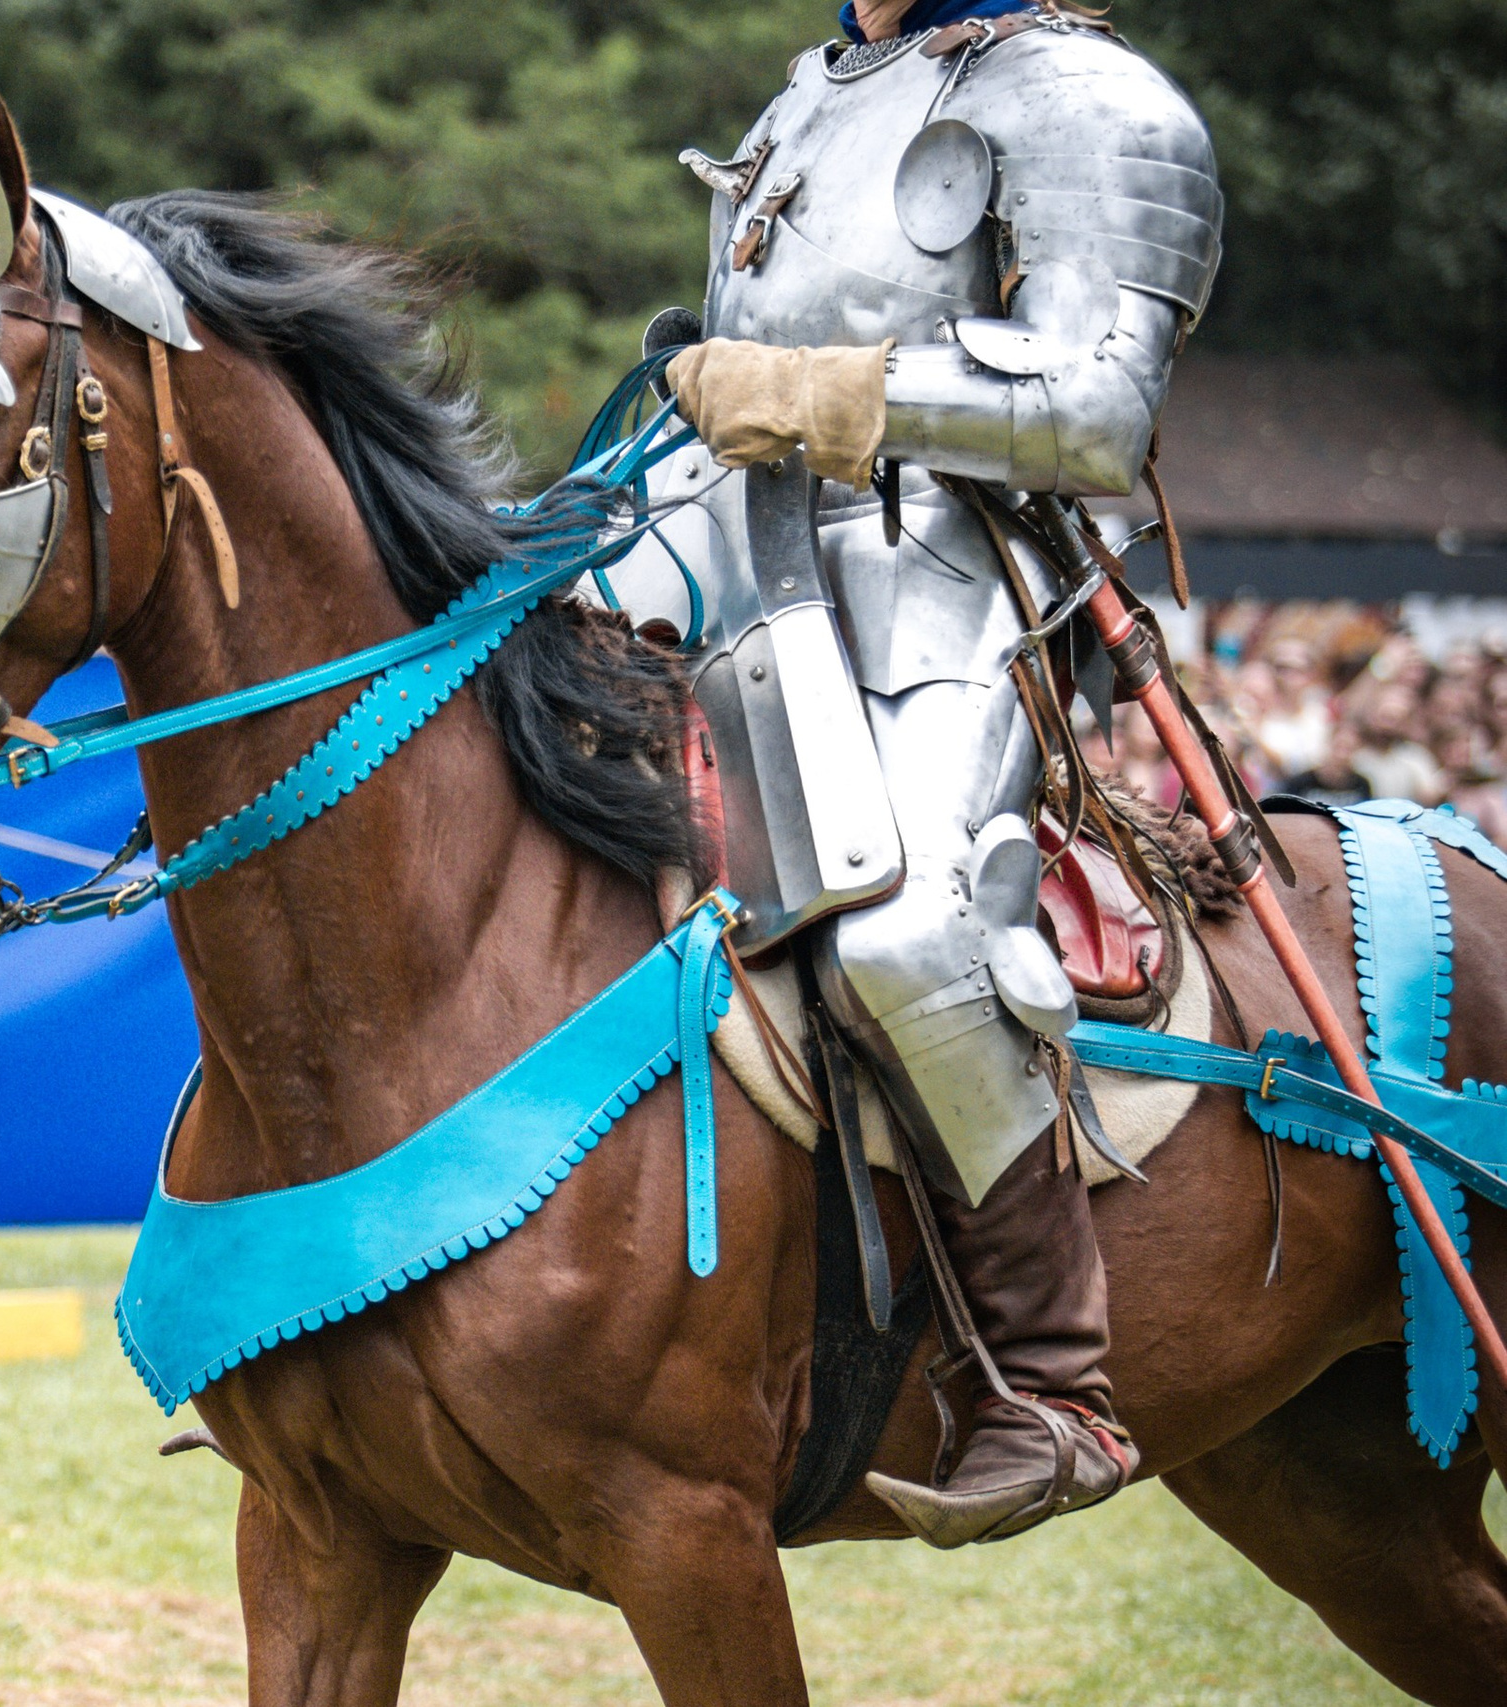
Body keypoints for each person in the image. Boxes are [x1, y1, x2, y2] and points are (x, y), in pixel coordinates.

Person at [612, 0, 1225, 1546]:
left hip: (957, 569)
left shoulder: (1087, 98)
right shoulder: (814, 96)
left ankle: (1051, 1381)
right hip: (729, 541)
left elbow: (1096, 410)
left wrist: (827, 396)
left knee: (906, 932)